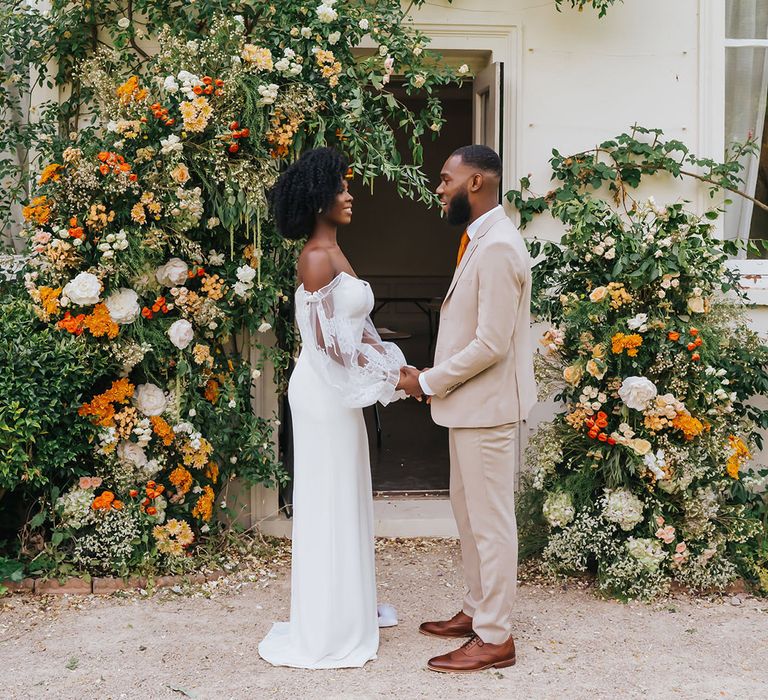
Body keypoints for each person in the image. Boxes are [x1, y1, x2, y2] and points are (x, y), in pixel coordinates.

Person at [258, 147, 410, 669]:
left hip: (334, 387)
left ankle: (349, 608)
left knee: (346, 490)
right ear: (318, 198)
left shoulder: (335, 253)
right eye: (341, 188)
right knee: (329, 495)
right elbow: (332, 348)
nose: (350, 196)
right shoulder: (317, 258)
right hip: (322, 391)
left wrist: (394, 364)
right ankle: (327, 624)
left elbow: (357, 333)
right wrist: (397, 375)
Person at [398, 145, 537, 673]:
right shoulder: (479, 238)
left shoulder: (499, 245)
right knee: (469, 515)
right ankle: (478, 610)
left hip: (487, 409)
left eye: (446, 178)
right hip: (468, 407)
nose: (439, 187)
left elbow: (491, 344)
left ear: (476, 182)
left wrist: (427, 381)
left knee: (491, 522)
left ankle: (496, 637)